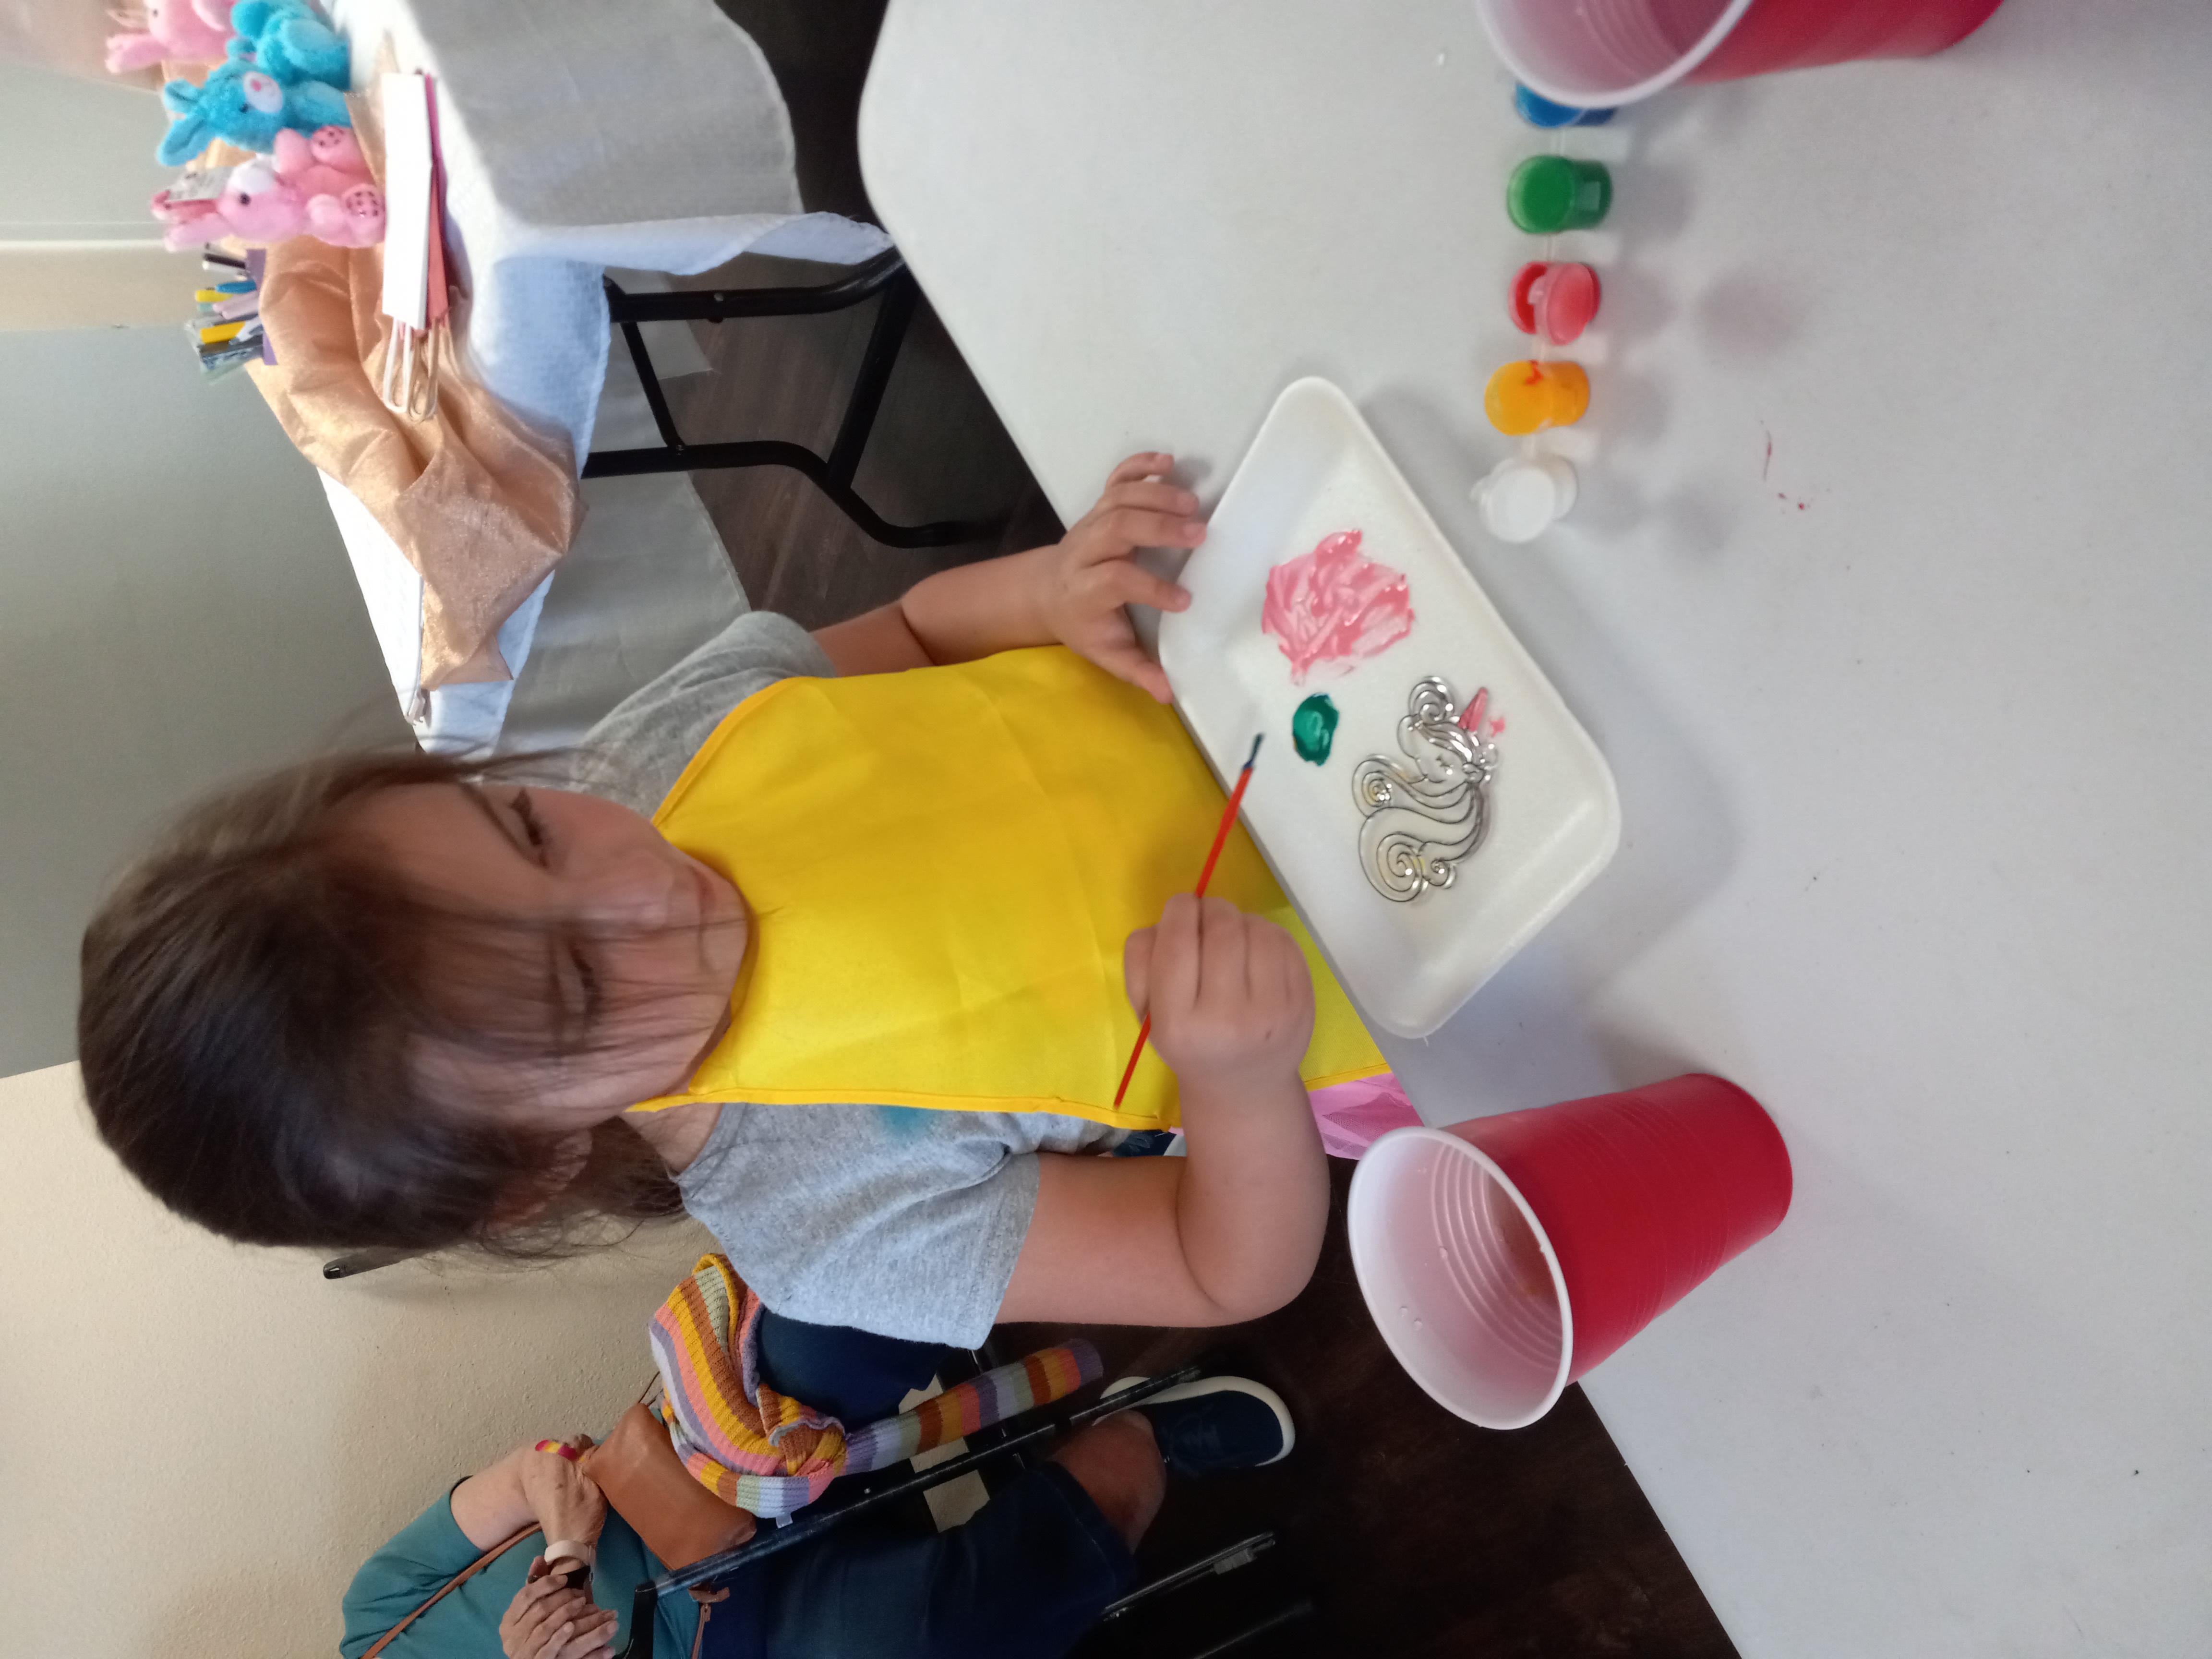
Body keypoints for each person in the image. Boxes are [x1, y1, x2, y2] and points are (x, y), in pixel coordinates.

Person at [80, 455, 1399, 1346]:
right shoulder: (824, 1228)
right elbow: (1221, 1269)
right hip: (1386, 994)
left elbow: (915, 633)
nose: (643, 887)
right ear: (533, 1166)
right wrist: (1236, 1082)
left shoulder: (661, 750)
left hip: (1294, 674)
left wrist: (1045, 590)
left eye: (528, 826)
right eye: (579, 987)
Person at [344, 1311, 1296, 1659]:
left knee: (826, 1325)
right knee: (942, 1642)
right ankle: (1146, 1438)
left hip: (708, 1484)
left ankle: (1098, 1149)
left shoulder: (379, 1617)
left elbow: (546, 1463)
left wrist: (563, 1556)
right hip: (761, 1642)